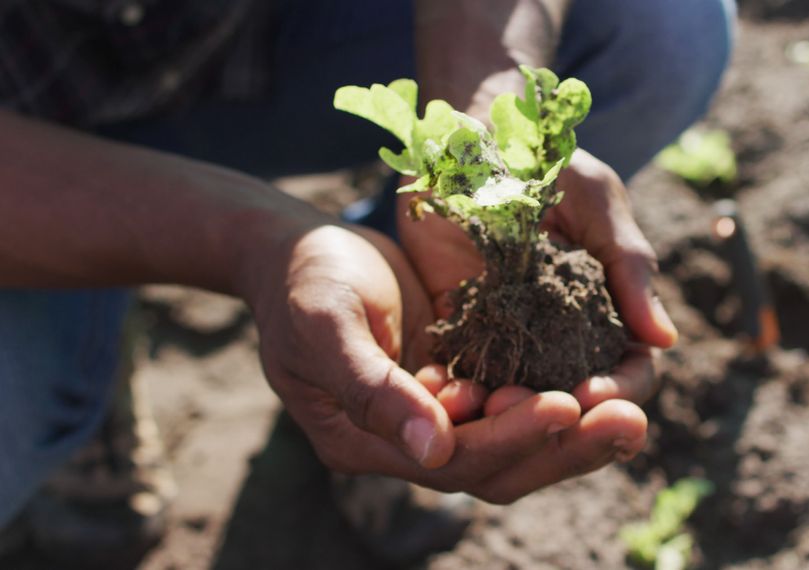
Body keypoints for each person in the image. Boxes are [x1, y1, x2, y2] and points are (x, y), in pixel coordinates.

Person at [0, 0, 735, 564]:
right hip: (24, 129)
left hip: (241, 37)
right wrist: (261, 245)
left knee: (659, 25)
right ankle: (83, 341)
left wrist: (482, 117)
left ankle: (379, 341)